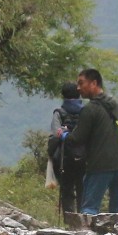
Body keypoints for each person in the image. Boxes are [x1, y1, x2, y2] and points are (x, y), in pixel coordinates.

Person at [64, 68, 118, 217]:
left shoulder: (89, 110)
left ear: (94, 83)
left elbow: (77, 139)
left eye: (81, 83)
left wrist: (64, 135)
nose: (78, 88)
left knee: (89, 209)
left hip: (99, 167)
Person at [47, 82, 86, 227]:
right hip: (85, 157)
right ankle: (84, 221)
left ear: (63, 96)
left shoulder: (59, 112)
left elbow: (55, 135)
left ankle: (71, 224)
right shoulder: (86, 111)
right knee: (83, 189)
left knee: (67, 190)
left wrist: (50, 152)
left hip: (64, 158)